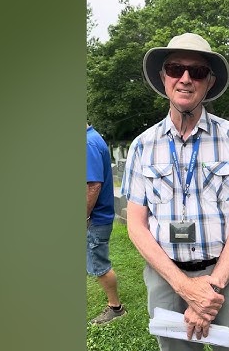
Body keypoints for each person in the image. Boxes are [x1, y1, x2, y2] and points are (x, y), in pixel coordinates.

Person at [121, 33, 229, 350]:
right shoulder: (142, 146)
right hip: (167, 276)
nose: (185, 79)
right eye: (175, 68)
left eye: (197, 71)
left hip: (224, 272)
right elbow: (135, 224)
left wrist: (209, 289)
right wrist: (184, 287)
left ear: (209, 82)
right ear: (163, 76)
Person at [86, 123, 126, 324]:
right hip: (95, 217)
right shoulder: (90, 138)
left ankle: (116, 308)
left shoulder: (87, 143)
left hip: (94, 219)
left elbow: (93, 185)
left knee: (98, 263)